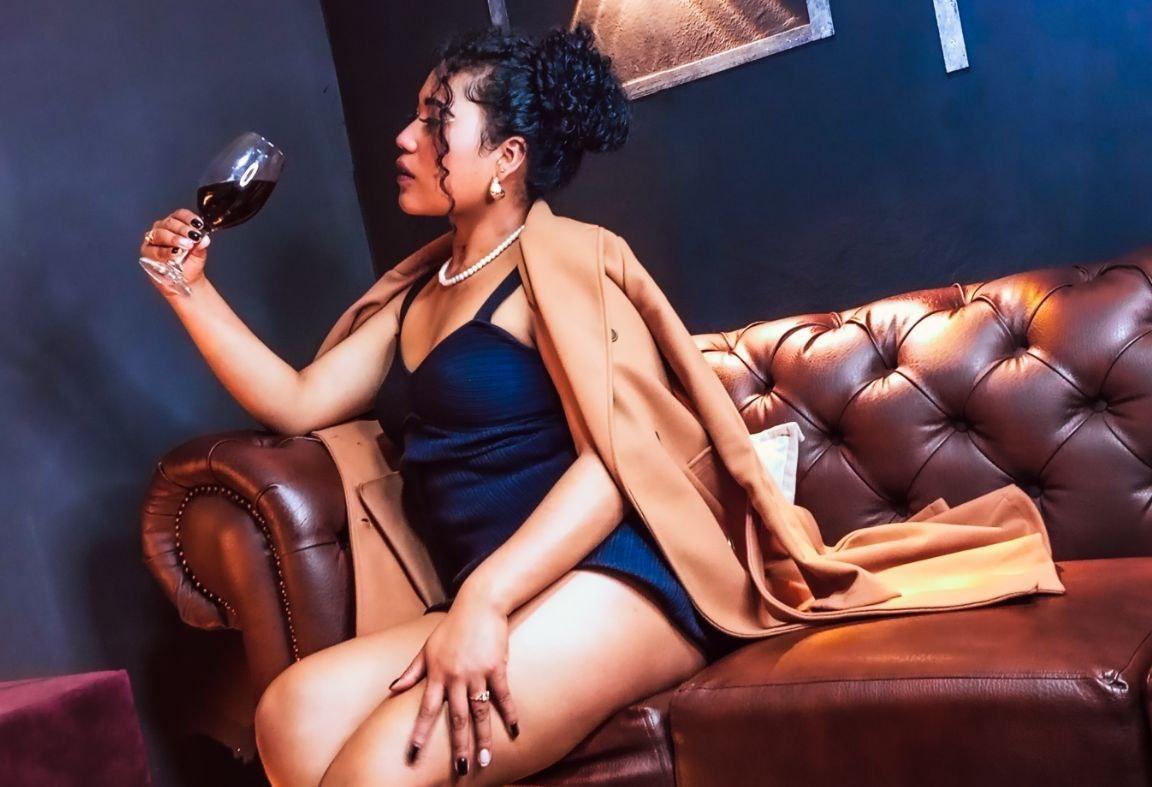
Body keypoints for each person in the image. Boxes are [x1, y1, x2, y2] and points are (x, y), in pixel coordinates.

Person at [141, 23, 741, 787]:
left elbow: (612, 464)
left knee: (372, 772)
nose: (405, 138)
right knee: (290, 714)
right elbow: (298, 401)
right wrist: (188, 289)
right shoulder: (420, 292)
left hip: (616, 580)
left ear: (506, 158)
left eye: (434, 121)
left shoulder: (564, 264)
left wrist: (485, 600)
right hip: (488, 592)